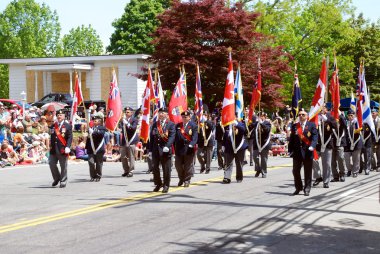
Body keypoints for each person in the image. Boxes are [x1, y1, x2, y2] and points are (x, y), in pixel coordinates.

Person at [288, 108, 318, 196]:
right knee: (295, 171)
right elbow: (292, 139)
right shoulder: (295, 126)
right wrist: (290, 150)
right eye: (299, 115)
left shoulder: (311, 125)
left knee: (307, 171)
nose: (301, 116)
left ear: (307, 116)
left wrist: (312, 146)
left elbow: (315, 137)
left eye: (303, 115)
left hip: (308, 151)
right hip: (297, 152)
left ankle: (307, 188)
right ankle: (298, 187)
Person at [149, 108, 175, 193]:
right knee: (155, 168)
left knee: (166, 169)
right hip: (156, 150)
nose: (160, 114)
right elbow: (152, 138)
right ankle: (158, 183)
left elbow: (171, 137)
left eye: (162, 113)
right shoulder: (155, 124)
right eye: (159, 113)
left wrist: (167, 146)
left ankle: (166, 185)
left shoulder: (171, 124)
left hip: (165, 150)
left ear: (167, 115)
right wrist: (149, 150)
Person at [48, 109, 73, 188]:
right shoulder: (53, 125)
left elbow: (69, 137)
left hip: (62, 149)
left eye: (61, 115)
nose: (59, 116)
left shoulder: (67, 125)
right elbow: (52, 137)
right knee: (51, 163)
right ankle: (57, 178)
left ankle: (63, 180)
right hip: (53, 149)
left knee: (63, 166)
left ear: (64, 116)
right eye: (58, 115)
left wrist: (68, 147)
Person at [174, 110, 198, 187]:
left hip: (189, 148)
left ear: (189, 117)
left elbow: (195, 137)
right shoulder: (178, 126)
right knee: (178, 165)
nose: (184, 118)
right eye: (183, 117)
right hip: (179, 148)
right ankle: (181, 178)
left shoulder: (193, 125)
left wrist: (192, 144)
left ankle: (187, 180)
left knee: (188, 165)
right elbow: (174, 137)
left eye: (186, 117)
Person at [86, 115, 106, 181]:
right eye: (93, 120)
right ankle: (93, 175)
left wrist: (93, 132)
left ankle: (98, 175)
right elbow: (88, 138)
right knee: (91, 162)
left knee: (99, 163)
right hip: (91, 148)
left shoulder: (102, 128)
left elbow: (101, 134)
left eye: (95, 120)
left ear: (99, 122)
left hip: (98, 148)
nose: (94, 121)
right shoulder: (90, 128)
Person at [120, 106, 139, 177]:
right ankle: (126, 170)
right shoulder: (123, 120)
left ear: (131, 113)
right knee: (123, 156)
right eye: (125, 112)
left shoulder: (134, 120)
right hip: (124, 140)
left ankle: (131, 171)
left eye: (128, 112)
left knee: (131, 156)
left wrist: (127, 124)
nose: (126, 113)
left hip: (132, 140)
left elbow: (133, 128)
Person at [252, 112, 272, 178]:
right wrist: (246, 122)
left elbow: (267, 130)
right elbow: (249, 127)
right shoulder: (256, 124)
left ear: (264, 117)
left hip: (264, 143)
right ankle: (259, 169)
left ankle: (264, 172)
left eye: (262, 116)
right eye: (259, 116)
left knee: (264, 159)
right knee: (255, 157)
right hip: (256, 144)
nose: (260, 117)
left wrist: (261, 124)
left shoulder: (267, 123)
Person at [344, 109, 363, 178]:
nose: (350, 117)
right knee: (346, 158)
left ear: (354, 115)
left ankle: (355, 171)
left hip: (356, 142)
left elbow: (361, 129)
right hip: (348, 143)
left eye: (351, 115)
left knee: (356, 159)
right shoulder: (346, 123)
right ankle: (349, 169)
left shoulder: (357, 123)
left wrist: (357, 124)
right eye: (349, 115)